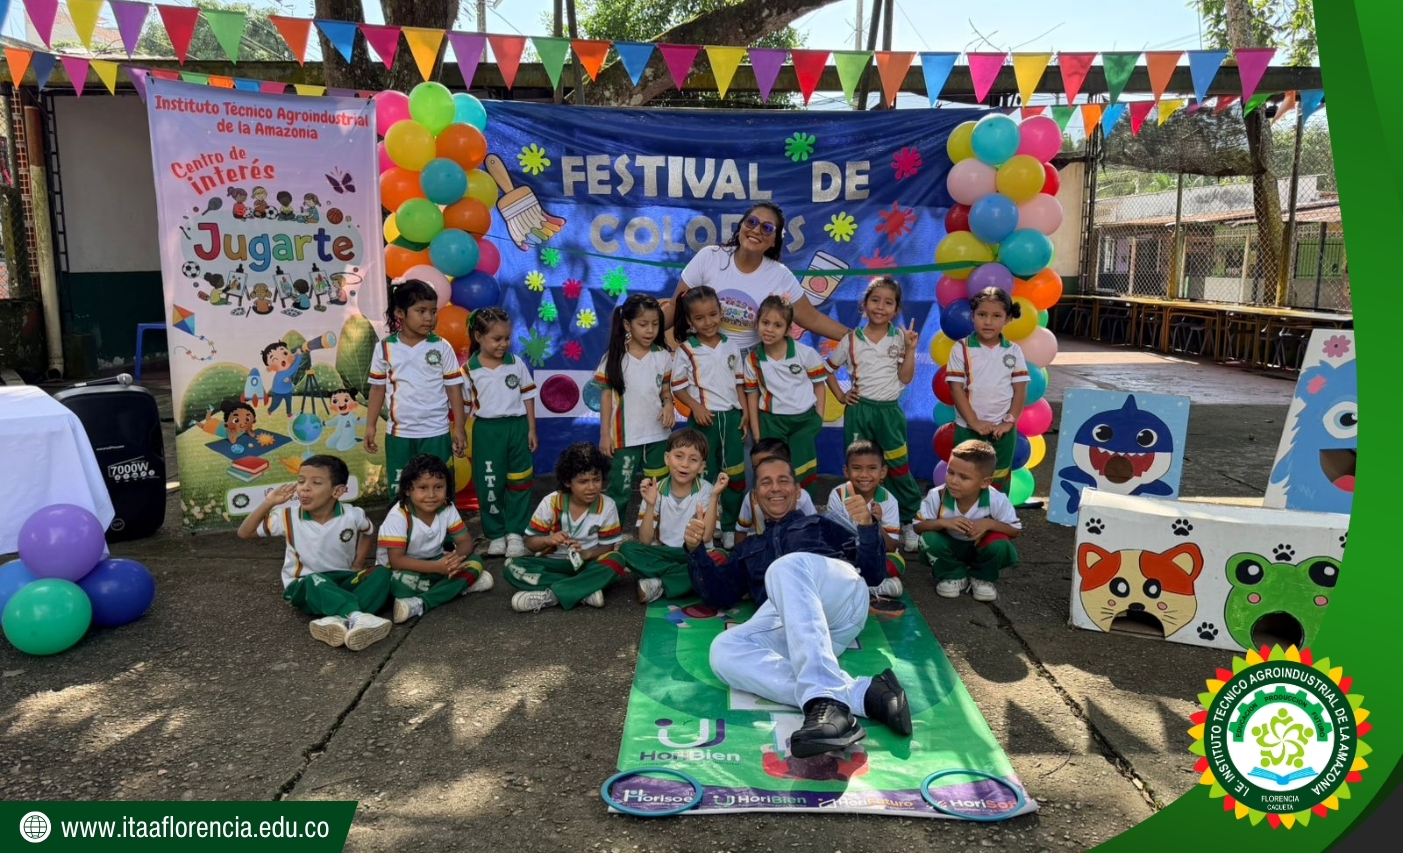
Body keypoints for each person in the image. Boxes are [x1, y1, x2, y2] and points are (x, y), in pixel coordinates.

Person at [685, 454, 912, 758]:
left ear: (796, 490)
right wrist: (696, 549)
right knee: (723, 650)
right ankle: (865, 695)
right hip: (795, 629)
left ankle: (828, 702)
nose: (775, 488)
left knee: (784, 567)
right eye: (766, 482)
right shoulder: (748, 548)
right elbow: (718, 595)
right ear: (755, 495)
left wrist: (867, 527)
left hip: (839, 598)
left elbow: (872, 574)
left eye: (783, 481)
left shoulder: (821, 524)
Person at [237, 455, 392, 651]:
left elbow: (368, 532)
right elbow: (244, 533)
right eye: (301, 481)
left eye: (316, 482)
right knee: (315, 581)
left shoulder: (353, 515)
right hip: (304, 585)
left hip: (342, 581)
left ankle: (336, 621)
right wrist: (268, 503)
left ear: (337, 491)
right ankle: (358, 617)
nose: (304, 488)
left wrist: (358, 563)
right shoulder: (287, 516)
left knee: (383, 573)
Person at [662, 201, 848, 352]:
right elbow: (674, 306)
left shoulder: (780, 275)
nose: (757, 230)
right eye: (751, 222)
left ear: (775, 240)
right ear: (741, 226)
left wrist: (859, 339)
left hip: (750, 366)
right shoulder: (709, 257)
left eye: (767, 227)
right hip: (706, 356)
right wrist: (638, 334)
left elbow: (812, 318)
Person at [826, 276, 923, 552]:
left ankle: (908, 521)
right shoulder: (851, 340)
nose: (881, 307)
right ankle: (855, 521)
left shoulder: (901, 338)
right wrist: (842, 395)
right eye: (875, 300)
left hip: (888, 413)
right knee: (861, 469)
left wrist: (912, 349)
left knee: (898, 469)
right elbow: (827, 369)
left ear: (896, 309)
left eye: (888, 302)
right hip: (859, 411)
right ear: (864, 304)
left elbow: (905, 377)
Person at [363, 280, 468, 490]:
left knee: (438, 492)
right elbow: (377, 388)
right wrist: (370, 425)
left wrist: (459, 427)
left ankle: (439, 525)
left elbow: (453, 388)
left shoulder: (442, 347)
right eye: (421, 311)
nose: (429, 318)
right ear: (400, 313)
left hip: (436, 433)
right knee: (401, 493)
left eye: (433, 311)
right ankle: (404, 524)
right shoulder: (385, 347)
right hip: (399, 435)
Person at [506, 442, 626, 613]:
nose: (592, 487)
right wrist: (548, 540)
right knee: (510, 565)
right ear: (567, 481)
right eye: (583, 481)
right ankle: (583, 590)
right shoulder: (551, 502)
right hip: (554, 563)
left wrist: (587, 554)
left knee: (616, 560)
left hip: (588, 565)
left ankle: (552, 595)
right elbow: (530, 543)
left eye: (596, 480)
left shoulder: (607, 506)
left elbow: (608, 547)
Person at [743, 295, 841, 501]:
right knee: (772, 471)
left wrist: (818, 417)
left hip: (803, 422)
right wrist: (757, 431)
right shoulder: (752, 359)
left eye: (777, 325)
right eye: (765, 323)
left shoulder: (805, 354)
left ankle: (805, 514)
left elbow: (819, 384)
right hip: (770, 421)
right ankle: (771, 515)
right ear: (757, 323)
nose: (770, 329)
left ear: (788, 330)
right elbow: (752, 396)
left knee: (802, 469)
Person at [671, 286, 748, 544]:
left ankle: (729, 528)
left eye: (713, 315)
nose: (708, 322)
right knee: (704, 474)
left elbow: (739, 384)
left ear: (721, 312)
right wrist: (696, 407)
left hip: (731, 419)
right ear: (690, 321)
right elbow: (677, 387)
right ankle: (706, 527)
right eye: (700, 318)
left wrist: (745, 413)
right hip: (703, 421)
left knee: (734, 474)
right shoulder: (686, 349)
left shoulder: (731, 346)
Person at [376, 454, 492, 624]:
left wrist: (454, 559)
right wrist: (438, 568)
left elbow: (465, 542)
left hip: (437, 564)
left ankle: (420, 602)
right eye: (422, 488)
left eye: (438, 487)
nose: (431, 494)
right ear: (408, 490)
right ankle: (460, 585)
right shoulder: (399, 515)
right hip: (401, 571)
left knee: (475, 561)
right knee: (396, 585)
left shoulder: (447, 507)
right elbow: (396, 561)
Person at [462, 307, 539, 558]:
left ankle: (515, 533)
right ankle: (495, 534)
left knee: (520, 481)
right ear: (478, 336)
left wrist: (531, 429)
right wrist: (459, 432)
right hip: (486, 431)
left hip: (516, 427)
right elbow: (462, 405)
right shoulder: (469, 369)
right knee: (489, 483)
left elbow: (527, 395)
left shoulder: (515, 363)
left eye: (507, 338)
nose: (503, 344)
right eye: (497, 339)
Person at [619, 429, 726, 604]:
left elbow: (706, 537)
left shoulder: (707, 490)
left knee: (720, 557)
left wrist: (715, 497)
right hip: (663, 553)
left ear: (701, 466)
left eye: (693, 459)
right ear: (667, 458)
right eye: (679, 456)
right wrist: (651, 503)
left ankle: (660, 583)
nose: (685, 464)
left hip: (694, 553)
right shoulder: (656, 489)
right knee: (627, 549)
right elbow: (645, 540)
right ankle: (684, 577)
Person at [593, 294, 675, 515]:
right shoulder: (614, 358)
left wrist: (668, 405)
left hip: (658, 436)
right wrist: (604, 435)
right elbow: (606, 398)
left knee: (658, 489)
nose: (650, 330)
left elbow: (666, 391)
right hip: (624, 439)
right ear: (627, 324)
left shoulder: (663, 356)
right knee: (619, 490)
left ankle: (657, 535)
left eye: (655, 324)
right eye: (643, 324)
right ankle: (610, 537)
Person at [945, 287, 1030, 495]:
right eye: (982, 315)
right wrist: (974, 422)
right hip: (968, 428)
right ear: (973, 316)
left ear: (1008, 319)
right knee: (965, 478)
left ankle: (995, 521)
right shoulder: (961, 348)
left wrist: (1009, 421)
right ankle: (963, 522)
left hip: (1002, 432)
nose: (988, 322)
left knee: (998, 479)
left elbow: (1019, 390)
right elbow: (956, 389)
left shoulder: (1013, 350)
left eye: (996, 316)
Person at [914, 440, 1022, 602]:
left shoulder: (996, 499)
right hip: (950, 547)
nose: (954, 481)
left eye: (964, 477)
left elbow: (1015, 530)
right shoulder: (937, 496)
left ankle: (982, 577)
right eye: (951, 472)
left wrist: (989, 524)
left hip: (980, 548)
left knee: (1001, 543)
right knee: (928, 539)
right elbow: (918, 526)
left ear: (985, 482)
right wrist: (944, 523)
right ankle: (953, 575)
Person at [825, 439, 906, 598]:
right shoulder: (838, 495)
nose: (864, 475)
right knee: (828, 559)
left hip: (877, 555)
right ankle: (871, 587)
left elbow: (891, 546)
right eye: (856, 468)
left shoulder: (888, 500)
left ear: (882, 472)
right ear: (846, 471)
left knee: (896, 563)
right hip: (847, 553)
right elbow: (833, 538)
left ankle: (854, 585)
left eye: (872, 468)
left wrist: (873, 523)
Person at [735, 438, 816, 544]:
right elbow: (741, 530)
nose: (775, 488)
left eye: (770, 463)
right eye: (756, 468)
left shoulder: (803, 498)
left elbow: (814, 529)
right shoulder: (750, 499)